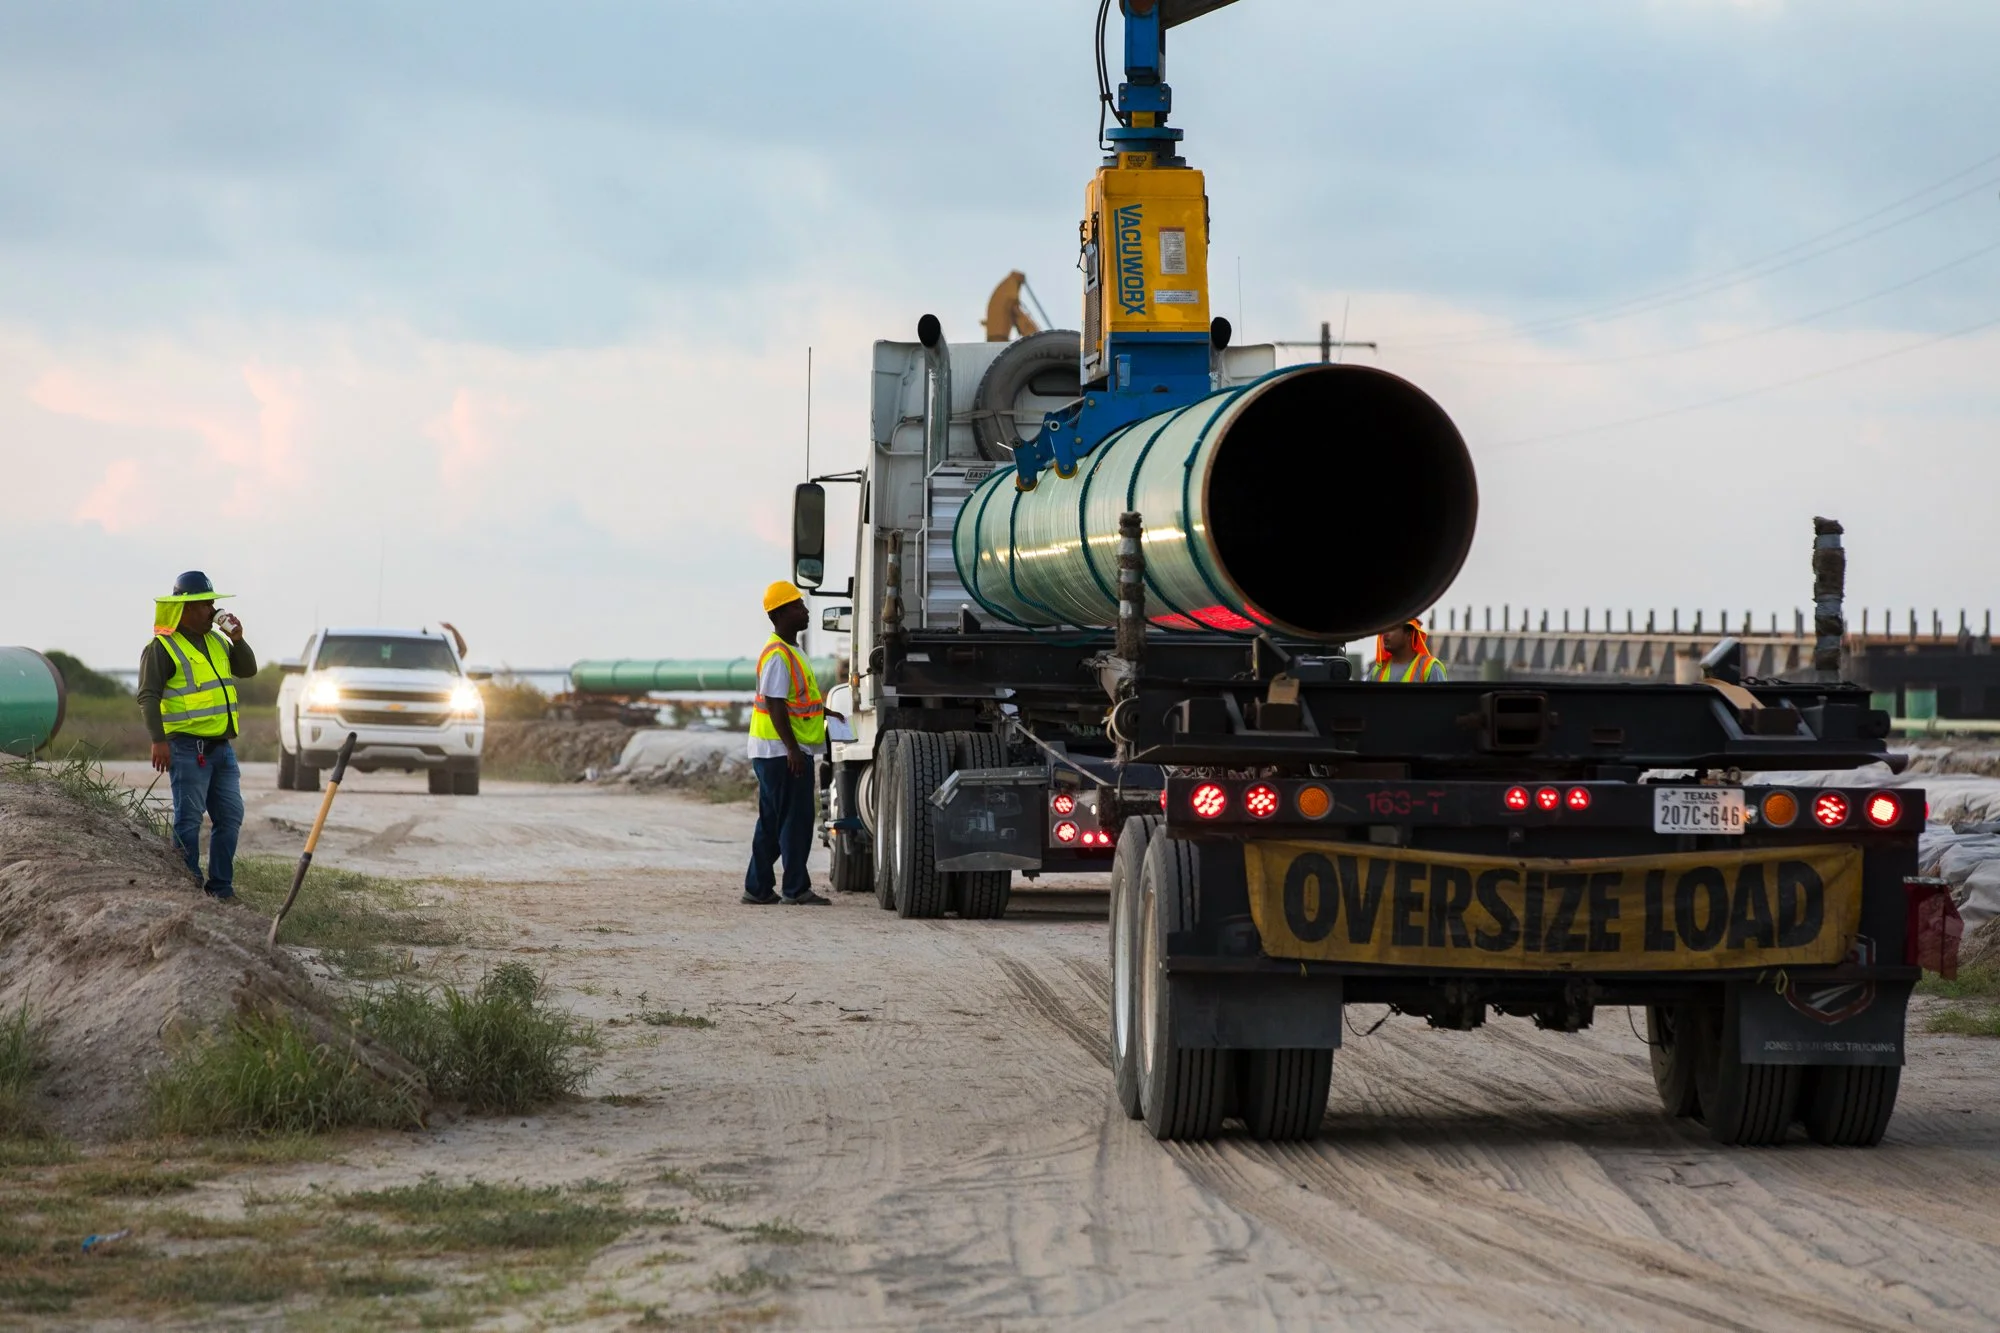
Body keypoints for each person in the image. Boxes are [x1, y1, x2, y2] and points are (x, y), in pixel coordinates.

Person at [138, 571, 258, 900]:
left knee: (230, 815)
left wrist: (238, 638)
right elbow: (148, 695)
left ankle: (221, 888)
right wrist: (158, 740)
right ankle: (187, 887)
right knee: (188, 819)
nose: (213, 610)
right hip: (187, 748)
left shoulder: (218, 641)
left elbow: (248, 669)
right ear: (188, 608)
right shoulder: (162, 647)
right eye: (207, 604)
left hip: (221, 748)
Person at [743, 581, 843, 906]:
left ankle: (758, 889)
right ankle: (796, 889)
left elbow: (794, 701)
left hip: (778, 752)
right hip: (780, 753)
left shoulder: (791, 652)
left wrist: (825, 711)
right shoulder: (777, 655)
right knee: (795, 821)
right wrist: (791, 749)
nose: (805, 611)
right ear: (782, 613)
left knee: (773, 821)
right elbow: (774, 705)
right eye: (799, 606)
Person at [1369, 618, 1447, 682]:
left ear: (1409, 635)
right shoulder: (1377, 671)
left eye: (1392, 628)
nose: (1384, 634)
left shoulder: (1430, 668)